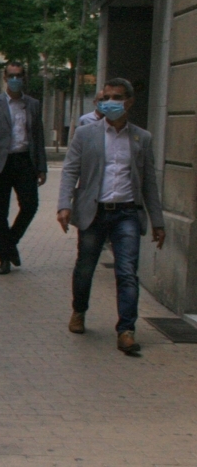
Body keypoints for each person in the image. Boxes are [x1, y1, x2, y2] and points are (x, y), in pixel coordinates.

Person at [57, 78, 164, 355]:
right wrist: (64, 205)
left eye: (117, 97)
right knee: (85, 267)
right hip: (94, 211)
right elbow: (71, 170)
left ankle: (126, 330)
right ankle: (79, 311)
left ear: (128, 101)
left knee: (127, 271)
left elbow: (149, 182)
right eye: (107, 97)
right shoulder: (86, 134)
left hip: (127, 212)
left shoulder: (142, 137)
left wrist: (158, 221)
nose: (110, 102)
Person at [0, 61, 48, 274]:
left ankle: (10, 243)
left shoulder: (32, 104)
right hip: (1, 162)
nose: (15, 79)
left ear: (25, 78)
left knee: (30, 205)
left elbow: (38, 136)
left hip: (25, 161)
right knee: (0, 210)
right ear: (5, 78)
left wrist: (41, 166)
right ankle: (4, 259)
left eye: (20, 75)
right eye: (12, 75)